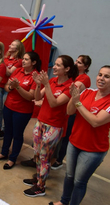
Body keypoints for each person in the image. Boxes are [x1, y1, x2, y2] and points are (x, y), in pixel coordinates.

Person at [49, 65, 110, 205]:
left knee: (79, 181)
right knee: (69, 176)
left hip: (93, 150)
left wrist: (77, 102)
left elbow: (95, 122)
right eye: (100, 75)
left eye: (107, 76)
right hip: (74, 142)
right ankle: (64, 201)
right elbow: (70, 111)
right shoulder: (88, 92)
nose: (101, 78)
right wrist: (74, 98)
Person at [23, 55, 78, 197]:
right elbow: (37, 97)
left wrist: (46, 84)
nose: (54, 67)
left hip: (54, 126)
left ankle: (41, 187)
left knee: (44, 156)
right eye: (55, 64)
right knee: (37, 153)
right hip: (41, 121)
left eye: (58, 65)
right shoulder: (52, 81)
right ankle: (38, 178)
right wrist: (39, 84)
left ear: (67, 69)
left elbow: (54, 103)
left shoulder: (70, 86)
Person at [0, 52, 41, 169]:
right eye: (23, 58)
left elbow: (30, 97)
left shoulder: (35, 76)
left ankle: (12, 158)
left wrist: (17, 87)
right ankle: (4, 153)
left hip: (22, 111)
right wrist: (11, 87)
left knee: (17, 134)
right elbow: (6, 87)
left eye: (26, 59)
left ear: (33, 63)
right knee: (7, 131)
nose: (23, 61)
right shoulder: (18, 70)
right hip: (9, 106)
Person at [52, 55, 92, 170]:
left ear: (86, 67)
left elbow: (72, 89)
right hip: (64, 109)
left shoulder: (84, 78)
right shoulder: (73, 76)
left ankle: (59, 160)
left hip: (73, 112)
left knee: (66, 136)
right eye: (76, 61)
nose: (76, 63)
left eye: (79, 63)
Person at [0, 40, 24, 140]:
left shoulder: (18, 61)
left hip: (8, 88)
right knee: (0, 109)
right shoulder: (6, 59)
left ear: (17, 49)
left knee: (5, 110)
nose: (9, 45)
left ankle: (5, 129)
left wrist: (1, 63)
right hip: (0, 85)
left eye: (13, 45)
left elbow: (9, 72)